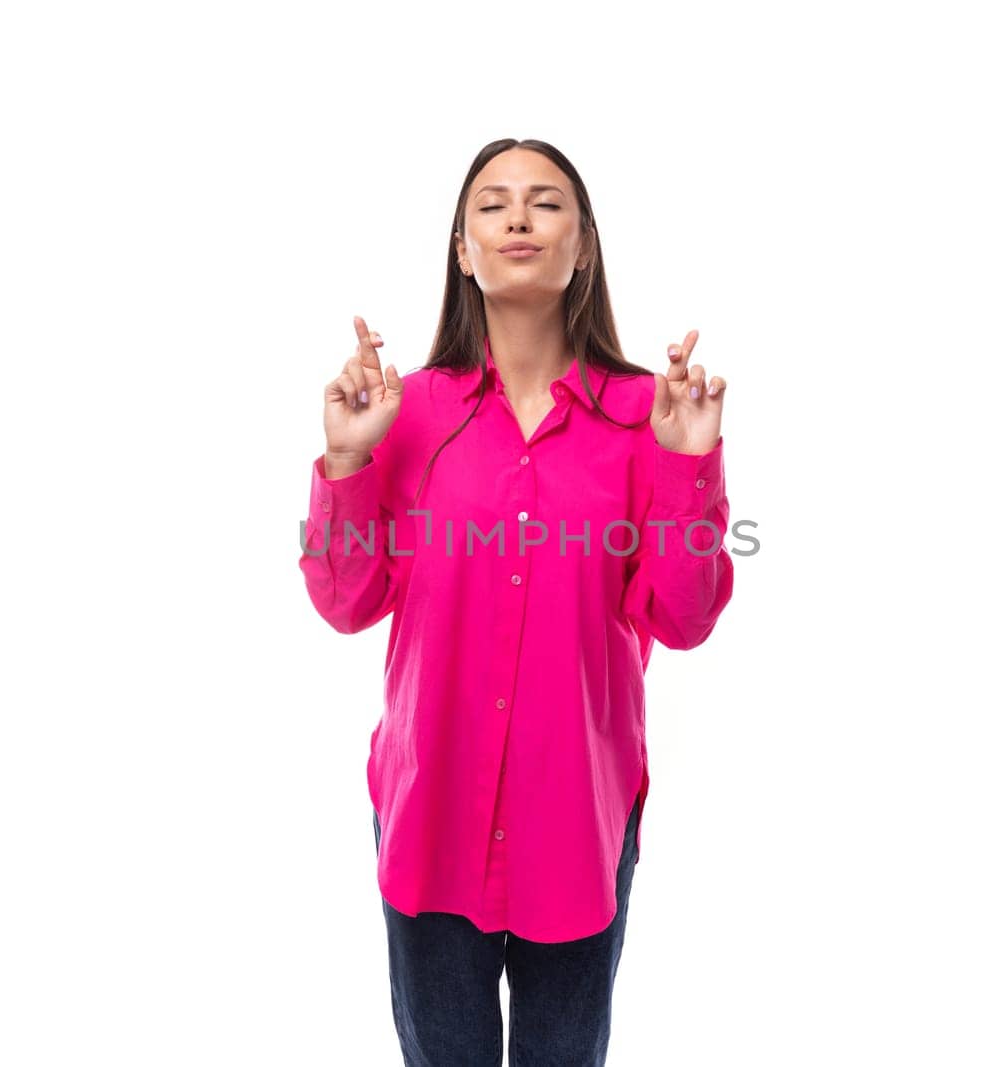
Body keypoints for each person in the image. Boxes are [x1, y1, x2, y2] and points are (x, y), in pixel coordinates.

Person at [298, 138, 734, 1066]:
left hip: (577, 816)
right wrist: (345, 460)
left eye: (546, 202)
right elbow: (347, 601)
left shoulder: (644, 415)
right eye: (493, 205)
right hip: (431, 809)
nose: (519, 218)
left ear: (584, 245)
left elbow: (683, 618)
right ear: (464, 249)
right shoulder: (403, 411)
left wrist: (690, 464)